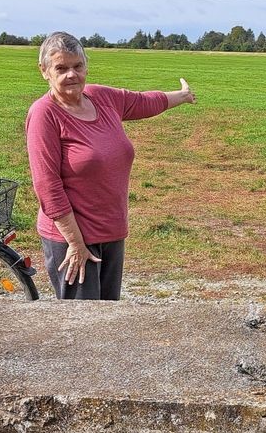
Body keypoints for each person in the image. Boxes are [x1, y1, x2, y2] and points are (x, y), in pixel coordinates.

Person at [25, 31, 195, 300]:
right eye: (61, 68)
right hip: (73, 239)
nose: (71, 74)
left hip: (111, 232)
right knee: (82, 327)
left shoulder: (102, 98)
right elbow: (47, 186)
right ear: (44, 71)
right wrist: (75, 242)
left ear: (86, 66)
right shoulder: (44, 114)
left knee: (109, 321)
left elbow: (142, 102)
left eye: (77, 66)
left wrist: (181, 96)